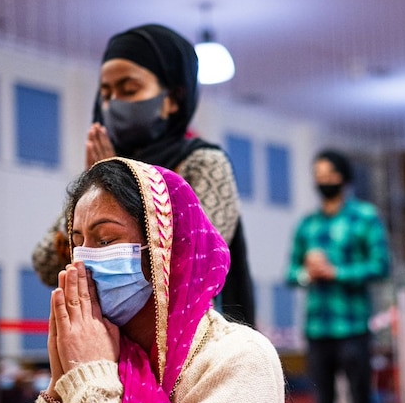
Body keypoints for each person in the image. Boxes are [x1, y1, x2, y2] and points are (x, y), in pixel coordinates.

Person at [0, 158, 287, 403]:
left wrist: (93, 382)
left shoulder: (238, 359)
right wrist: (59, 391)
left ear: (167, 250)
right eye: (78, 243)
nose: (83, 262)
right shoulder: (106, 352)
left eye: (106, 240)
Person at [33, 23, 255, 326]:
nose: (112, 104)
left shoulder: (203, 162)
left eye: (129, 89)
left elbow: (196, 259)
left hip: (186, 339)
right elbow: (46, 264)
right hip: (108, 339)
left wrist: (114, 189)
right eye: (106, 92)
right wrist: (99, 181)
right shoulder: (105, 165)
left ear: (173, 98)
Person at [286, 149, 390, 403]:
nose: (323, 180)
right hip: (318, 329)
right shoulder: (307, 224)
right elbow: (291, 273)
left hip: (354, 328)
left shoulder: (365, 217)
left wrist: (337, 272)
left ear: (344, 178)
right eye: (318, 174)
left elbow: (381, 266)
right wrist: (307, 273)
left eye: (329, 173)